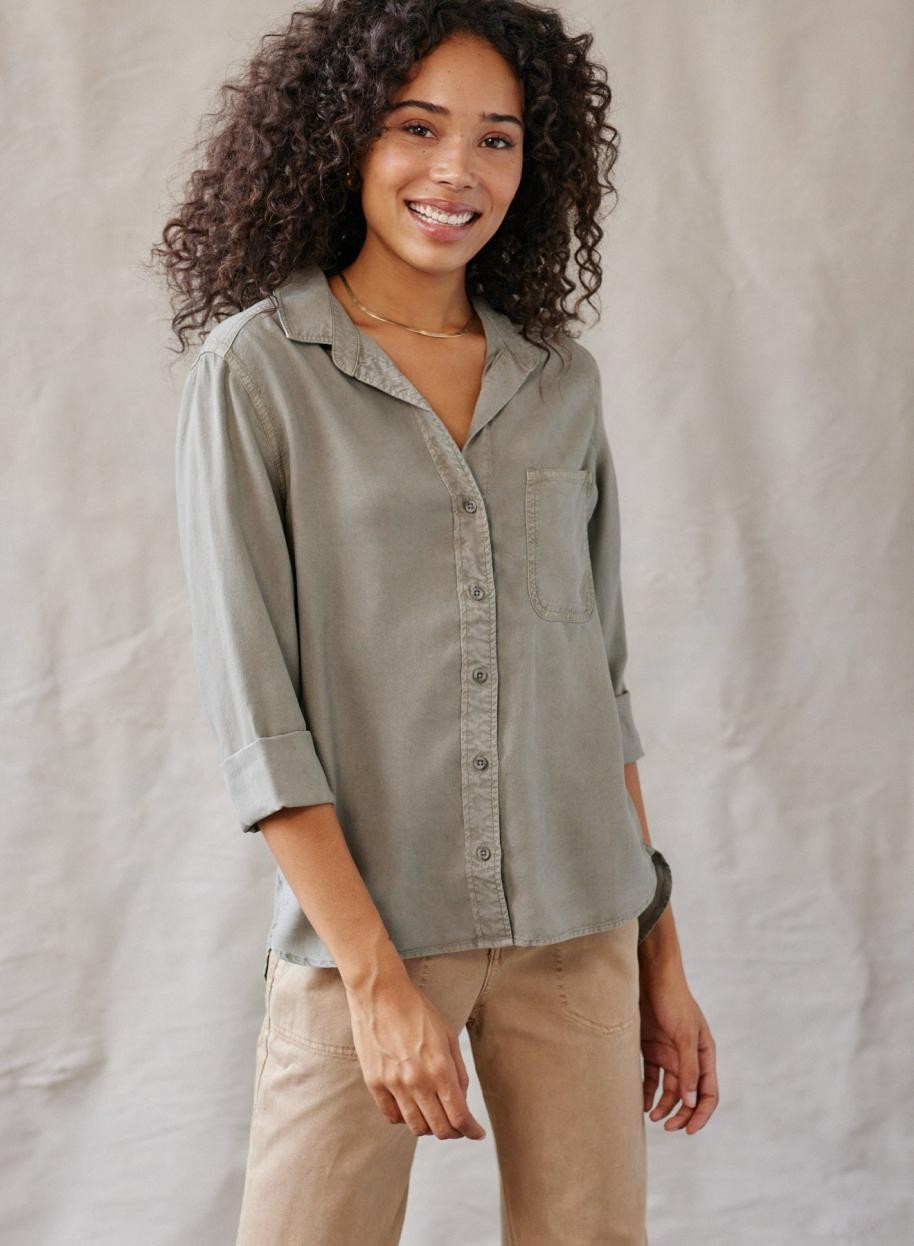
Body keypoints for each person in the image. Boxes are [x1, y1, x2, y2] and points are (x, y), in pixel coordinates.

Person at [152, 1, 719, 1241]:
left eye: (495, 139)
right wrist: (370, 979)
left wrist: (655, 949)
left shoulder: (558, 383)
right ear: (342, 137)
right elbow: (260, 715)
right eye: (416, 128)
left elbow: (598, 689)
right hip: (367, 935)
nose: (456, 171)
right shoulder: (259, 372)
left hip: (580, 925)